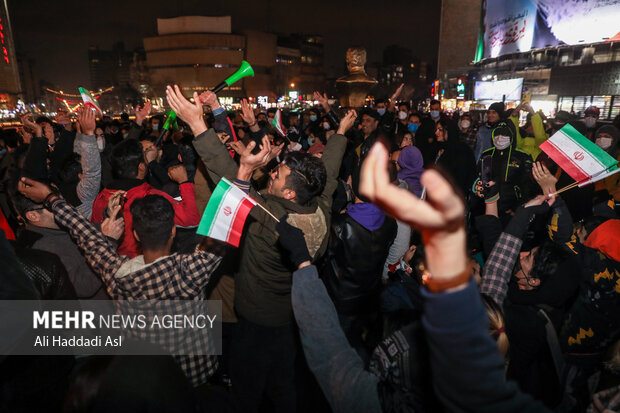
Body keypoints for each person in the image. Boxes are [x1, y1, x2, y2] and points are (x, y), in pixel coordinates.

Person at [167, 85, 353, 412]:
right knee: (284, 386)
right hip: (287, 317)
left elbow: (226, 176)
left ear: (290, 195)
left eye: (278, 175)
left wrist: (198, 126)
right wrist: (340, 133)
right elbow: (332, 171)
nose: (272, 176)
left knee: (247, 389)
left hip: (253, 322)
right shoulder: (321, 209)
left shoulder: (271, 218)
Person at [17, 177, 223, 387]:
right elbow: (221, 230)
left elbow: (84, 234)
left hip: (148, 381)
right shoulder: (192, 269)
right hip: (197, 378)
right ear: (172, 231)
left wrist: (52, 199)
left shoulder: (118, 273)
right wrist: (243, 173)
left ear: (135, 235)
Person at [90, 138, 200, 258]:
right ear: (141, 167)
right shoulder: (150, 197)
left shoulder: (101, 198)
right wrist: (184, 182)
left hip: (113, 261)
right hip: (144, 264)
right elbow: (191, 219)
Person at [475, 121, 533, 220]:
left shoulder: (521, 156)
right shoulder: (486, 155)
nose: (500, 137)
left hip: (511, 210)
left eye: (505, 134)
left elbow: (528, 185)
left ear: (512, 136)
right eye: (497, 134)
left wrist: (518, 208)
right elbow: (478, 178)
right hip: (487, 207)